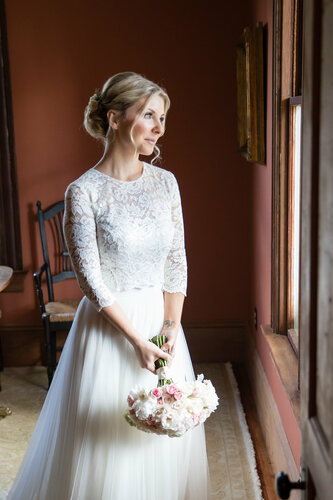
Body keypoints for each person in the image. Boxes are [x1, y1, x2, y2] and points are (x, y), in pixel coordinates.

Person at [7, 72, 210, 500]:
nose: (160, 127)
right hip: (110, 328)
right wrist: (136, 339)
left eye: (163, 117)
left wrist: (170, 326)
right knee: (105, 445)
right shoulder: (84, 192)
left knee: (161, 434)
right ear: (115, 119)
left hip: (163, 324)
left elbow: (177, 260)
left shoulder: (165, 183)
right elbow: (90, 280)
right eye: (149, 115)